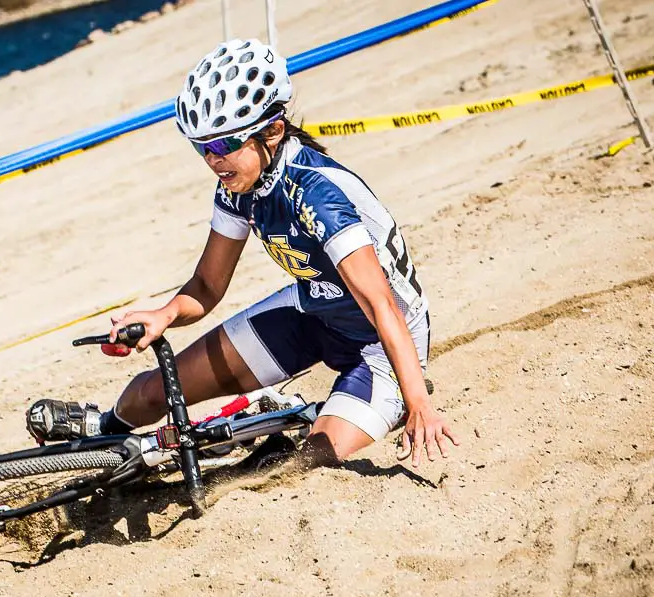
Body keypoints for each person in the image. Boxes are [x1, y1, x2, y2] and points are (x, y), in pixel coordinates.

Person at [26, 38, 459, 468]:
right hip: (311, 313)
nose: (213, 161)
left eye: (223, 145)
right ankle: (105, 430)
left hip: (381, 342)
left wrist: (418, 400)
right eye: (202, 148)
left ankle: (375, 403)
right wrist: (163, 315)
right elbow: (208, 285)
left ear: (271, 132)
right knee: (151, 392)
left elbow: (381, 304)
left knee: (310, 461)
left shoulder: (316, 193)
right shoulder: (238, 187)